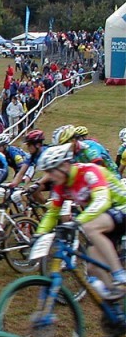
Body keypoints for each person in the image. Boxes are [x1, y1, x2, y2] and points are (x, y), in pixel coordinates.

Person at [34, 143, 126, 308]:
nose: (49, 176)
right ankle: (116, 305)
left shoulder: (89, 171)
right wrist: (38, 234)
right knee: (92, 267)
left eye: (51, 171)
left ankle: (120, 274)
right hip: (106, 219)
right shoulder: (62, 186)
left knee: (90, 227)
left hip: (120, 207)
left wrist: (77, 222)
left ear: (64, 165)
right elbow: (52, 212)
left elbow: (102, 200)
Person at [52, 124, 121, 178]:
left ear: (73, 140)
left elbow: (97, 167)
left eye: (63, 145)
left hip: (111, 176)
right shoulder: (69, 153)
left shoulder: (89, 146)